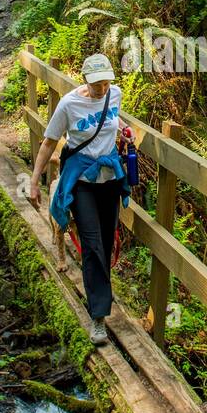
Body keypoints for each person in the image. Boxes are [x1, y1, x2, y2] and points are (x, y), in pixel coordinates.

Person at [28, 53, 130, 345]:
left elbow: (112, 119)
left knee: (107, 240)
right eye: (96, 84)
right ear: (85, 80)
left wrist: (124, 130)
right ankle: (98, 317)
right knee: (93, 244)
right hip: (82, 181)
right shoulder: (69, 104)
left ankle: (99, 292)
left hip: (109, 178)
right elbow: (49, 142)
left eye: (106, 82)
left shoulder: (115, 94)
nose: (102, 88)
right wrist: (34, 182)